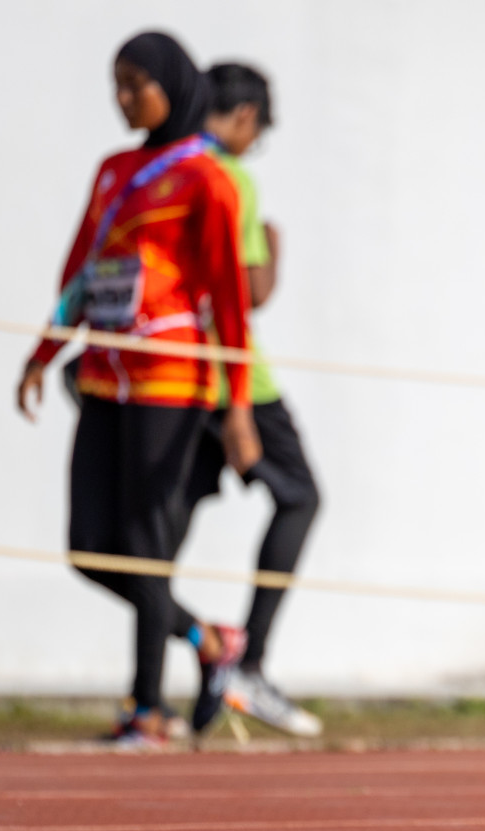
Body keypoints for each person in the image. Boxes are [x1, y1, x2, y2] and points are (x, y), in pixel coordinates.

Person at [17, 31, 260, 747]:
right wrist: (43, 352)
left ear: (172, 85)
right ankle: (208, 638)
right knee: (89, 546)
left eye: (135, 84)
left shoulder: (205, 177)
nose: (123, 98)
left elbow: (227, 299)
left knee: (145, 549)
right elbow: (83, 275)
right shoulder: (112, 170)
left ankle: (146, 709)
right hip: (104, 378)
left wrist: (238, 402)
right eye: (116, 84)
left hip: (172, 380)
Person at [177, 62, 322, 738]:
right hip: (235, 379)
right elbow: (243, 293)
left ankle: (146, 700)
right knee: (301, 497)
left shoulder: (163, 169)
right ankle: (247, 663)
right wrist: (275, 253)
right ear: (244, 118)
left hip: (173, 379)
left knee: (159, 534)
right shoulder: (228, 177)